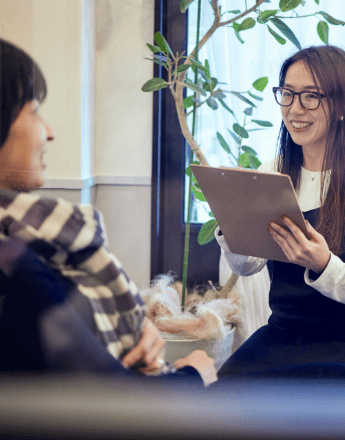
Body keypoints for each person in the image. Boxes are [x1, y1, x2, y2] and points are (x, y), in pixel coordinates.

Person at [0, 38, 216, 386]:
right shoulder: (19, 262)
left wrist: (132, 327)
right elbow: (112, 402)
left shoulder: (28, 245)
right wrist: (194, 373)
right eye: (35, 110)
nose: (49, 132)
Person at [216, 45, 345, 378]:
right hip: (281, 336)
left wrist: (323, 264)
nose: (295, 109)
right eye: (287, 94)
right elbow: (249, 265)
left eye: (310, 96)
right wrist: (232, 229)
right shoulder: (274, 170)